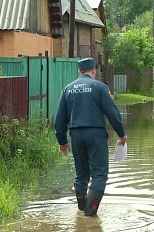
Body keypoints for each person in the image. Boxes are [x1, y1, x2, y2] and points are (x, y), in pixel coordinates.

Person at [55, 57, 127, 217]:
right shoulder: (100, 87)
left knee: (81, 174)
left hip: (76, 135)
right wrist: (121, 133)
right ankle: (90, 212)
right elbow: (113, 113)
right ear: (93, 71)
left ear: (79, 71)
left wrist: (62, 141)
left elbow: (59, 118)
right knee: (99, 174)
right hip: (96, 135)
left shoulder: (68, 89)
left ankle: (81, 209)